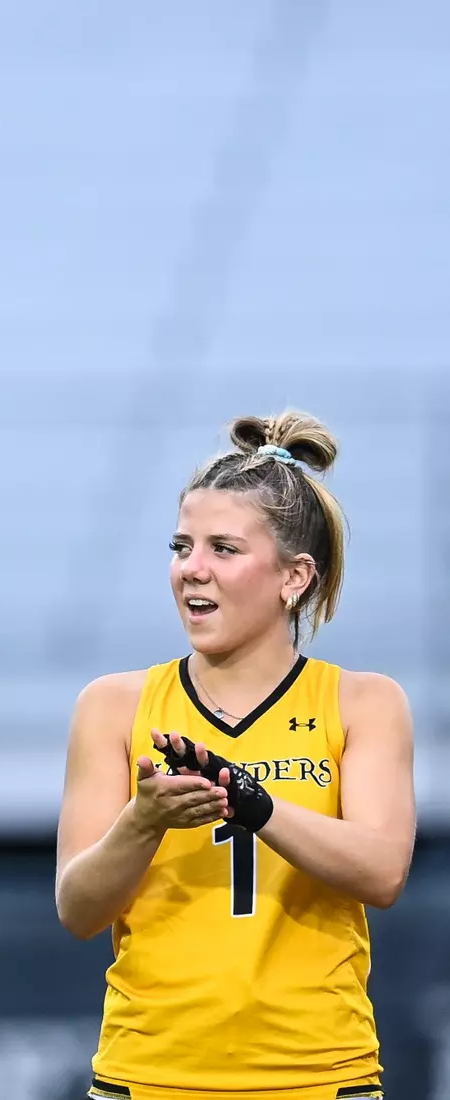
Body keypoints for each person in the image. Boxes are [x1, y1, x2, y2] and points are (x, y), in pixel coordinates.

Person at [55, 410, 415, 1100]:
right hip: (145, 1077)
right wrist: (142, 821)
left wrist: (251, 802)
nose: (190, 569)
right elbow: (77, 909)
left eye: (222, 548)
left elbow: (381, 871)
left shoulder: (364, 702)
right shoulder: (112, 705)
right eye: (180, 544)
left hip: (320, 1078)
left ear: (294, 576)